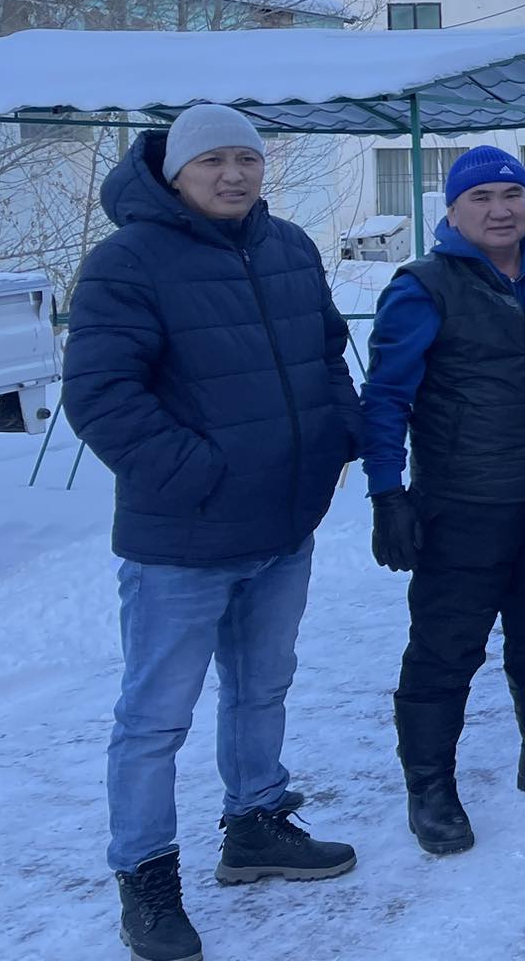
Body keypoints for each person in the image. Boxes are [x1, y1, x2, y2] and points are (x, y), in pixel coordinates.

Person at [64, 105, 358, 961]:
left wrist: (336, 439)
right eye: (213, 161)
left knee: (262, 688)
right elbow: (102, 397)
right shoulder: (128, 263)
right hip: (182, 541)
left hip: (281, 526)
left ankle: (256, 823)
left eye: (247, 159)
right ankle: (146, 877)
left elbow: (328, 354)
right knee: (155, 720)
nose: (233, 174)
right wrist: (203, 475)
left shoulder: (289, 246)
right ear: (174, 172)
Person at [359, 145, 525, 856]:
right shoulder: (423, 287)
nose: (499, 210)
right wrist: (387, 494)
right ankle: (431, 788)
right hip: (465, 503)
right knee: (444, 653)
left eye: (512, 194)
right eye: (481, 198)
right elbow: (385, 399)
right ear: (453, 211)